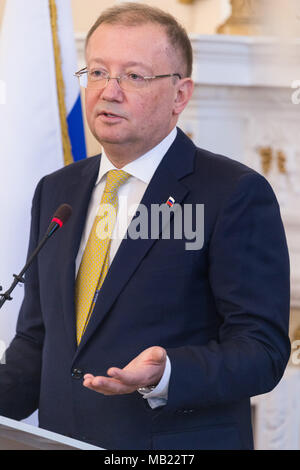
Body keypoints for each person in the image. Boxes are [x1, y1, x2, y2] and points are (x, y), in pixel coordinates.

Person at [0, 3, 290, 450]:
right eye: (97, 72)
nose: (108, 91)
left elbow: (263, 351)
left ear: (180, 94)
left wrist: (169, 372)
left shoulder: (232, 193)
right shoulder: (56, 192)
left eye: (133, 76)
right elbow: (37, 343)